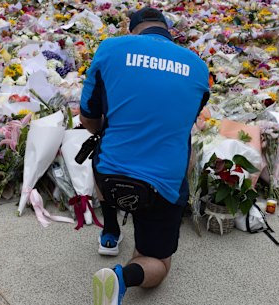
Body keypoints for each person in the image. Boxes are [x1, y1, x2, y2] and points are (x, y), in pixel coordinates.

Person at [79, 7, 210, 305]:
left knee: (105, 144)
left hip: (109, 178)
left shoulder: (111, 49)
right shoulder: (197, 66)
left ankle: (110, 230)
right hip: (162, 184)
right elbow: (186, 121)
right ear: (167, 29)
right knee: (157, 262)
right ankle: (121, 278)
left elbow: (88, 118)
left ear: (131, 29)